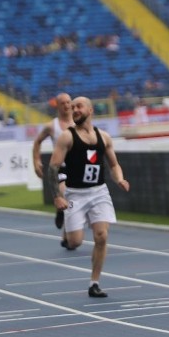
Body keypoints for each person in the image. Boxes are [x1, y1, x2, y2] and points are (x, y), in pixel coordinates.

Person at [47, 96, 130, 298]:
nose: (74, 109)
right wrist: (57, 195)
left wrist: (119, 178)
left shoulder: (104, 137)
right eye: (72, 107)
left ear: (90, 110)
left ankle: (94, 283)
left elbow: (113, 164)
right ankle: (64, 220)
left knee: (101, 236)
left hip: (99, 191)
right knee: (75, 242)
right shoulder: (67, 137)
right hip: (76, 193)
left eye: (78, 106)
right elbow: (53, 167)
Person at [33, 92, 73, 233]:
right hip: (60, 168)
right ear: (57, 106)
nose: (67, 105)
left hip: (77, 168)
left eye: (69, 102)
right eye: (63, 103)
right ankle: (62, 212)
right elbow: (37, 141)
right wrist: (36, 161)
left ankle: (67, 232)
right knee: (65, 193)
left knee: (76, 202)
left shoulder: (78, 122)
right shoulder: (52, 126)